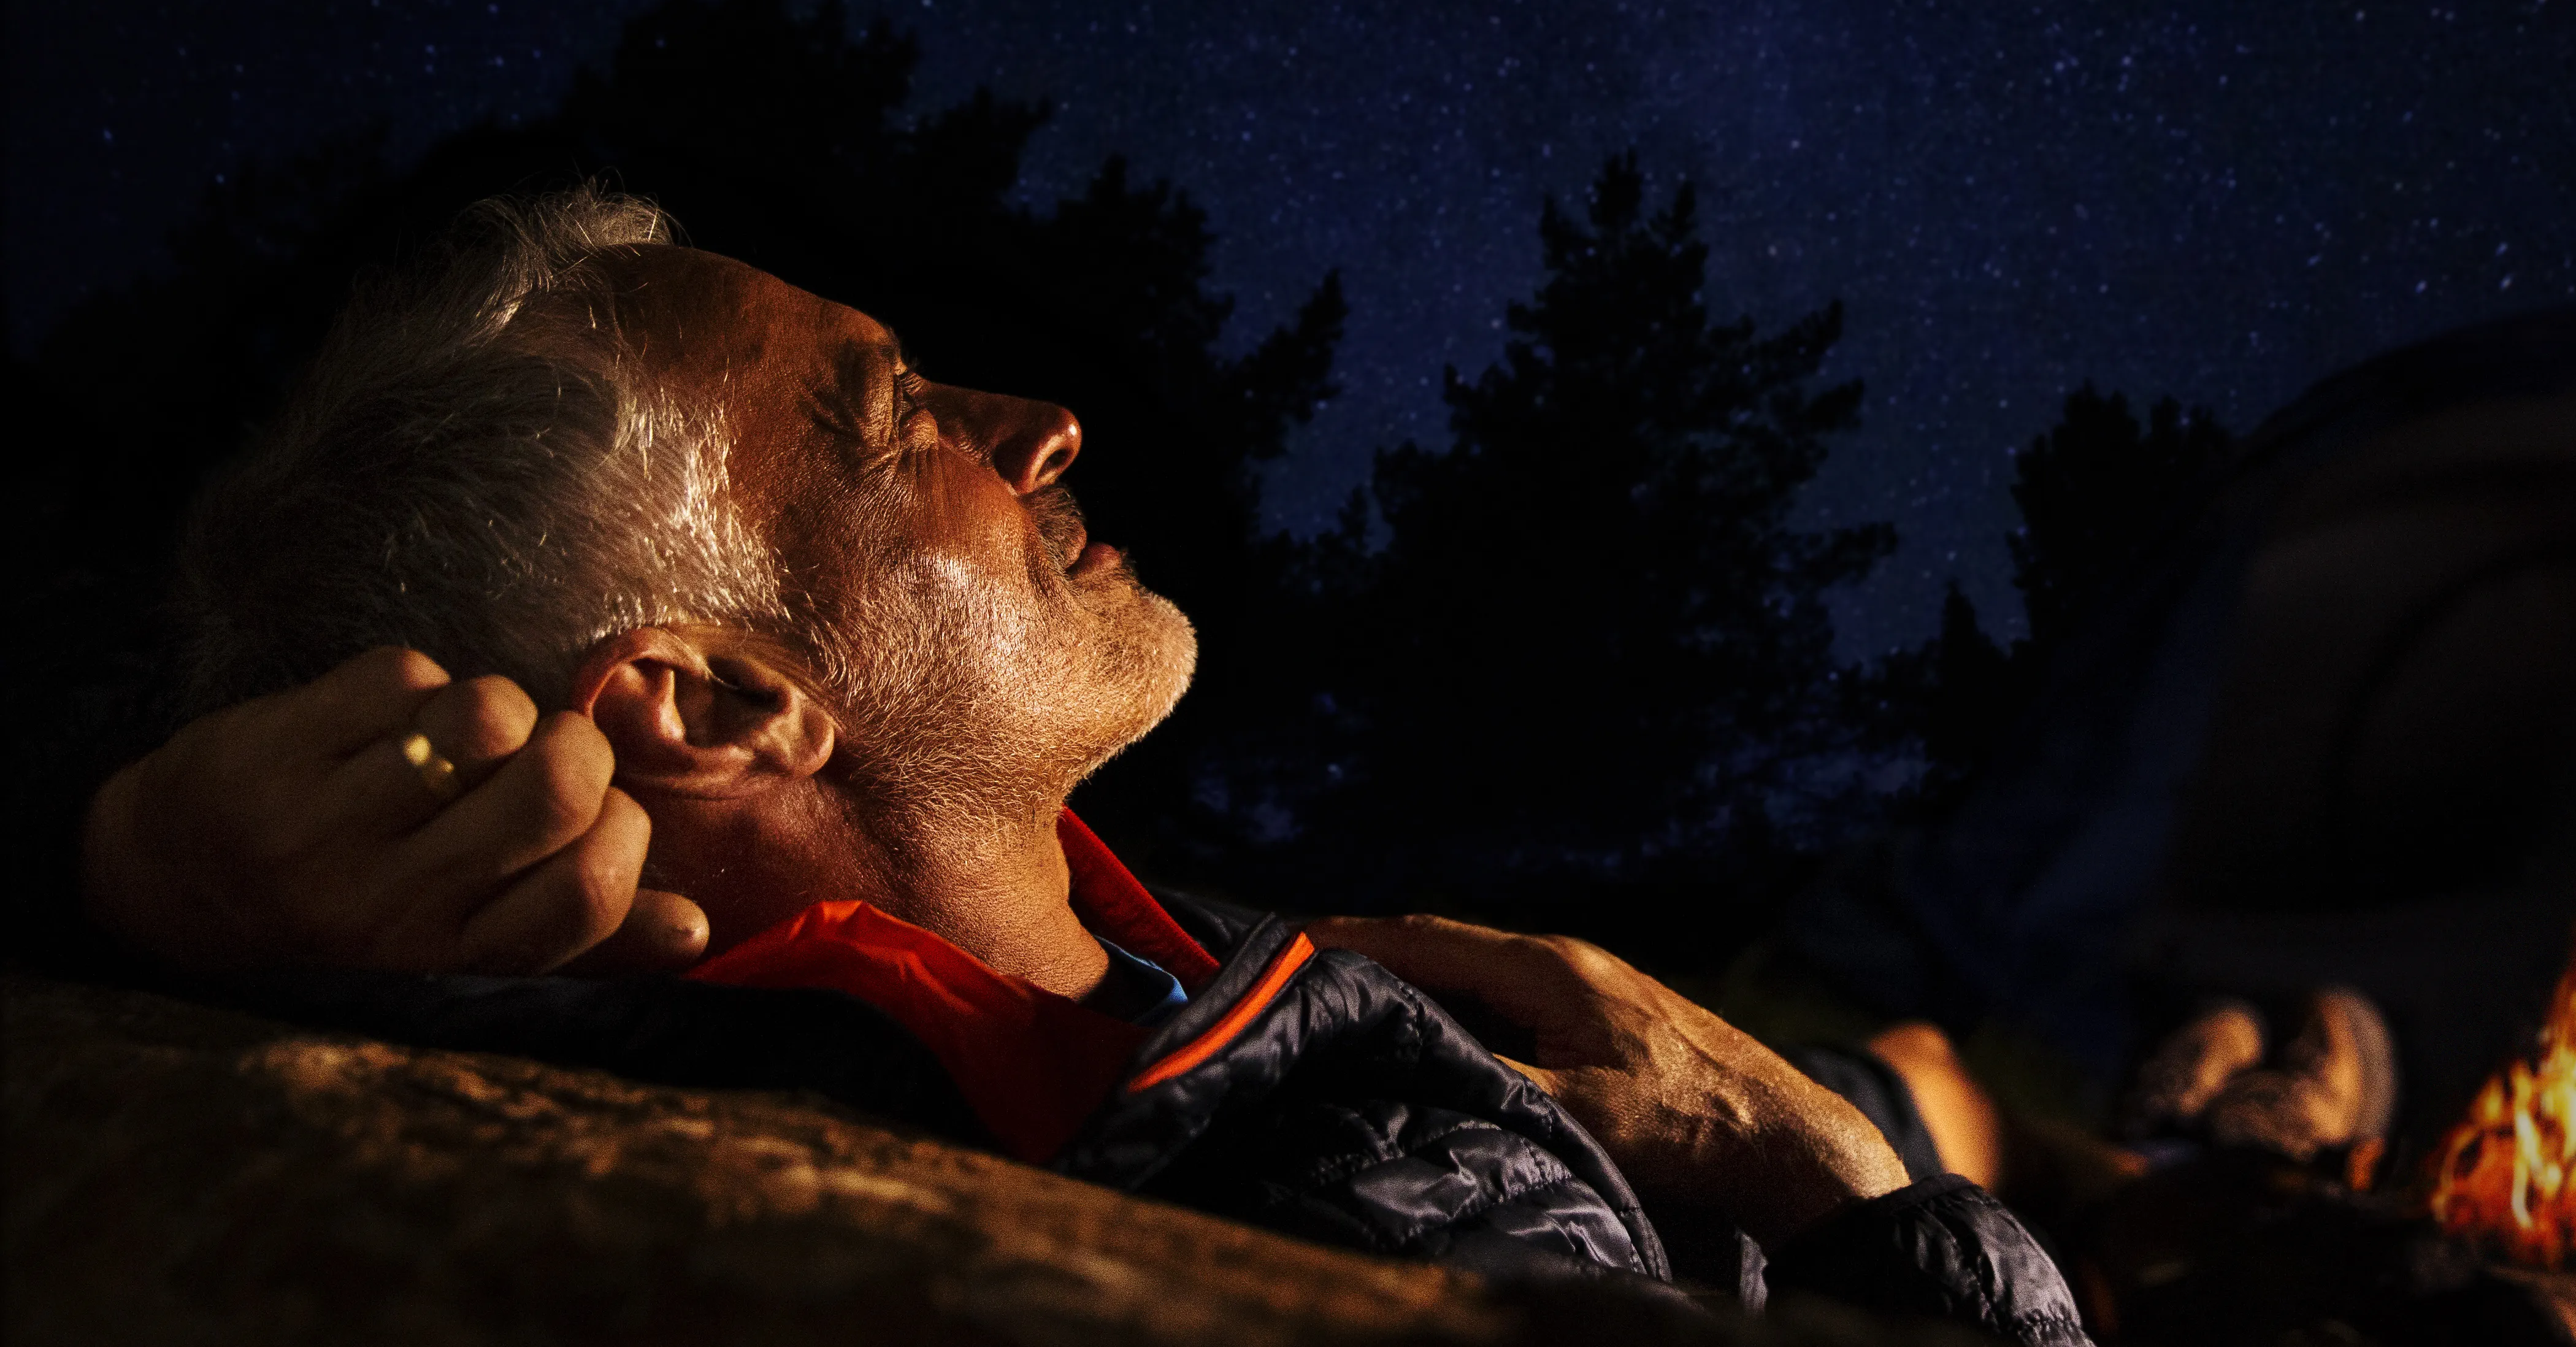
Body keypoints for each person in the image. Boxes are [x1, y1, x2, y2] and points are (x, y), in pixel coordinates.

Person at [74, 189, 2088, 1345]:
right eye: (895, 417)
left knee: (1941, 1054)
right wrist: (1857, 1206)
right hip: (1782, 1159)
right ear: (718, 704)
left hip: (1550, 1042)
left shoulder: (1119, 957)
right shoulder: (1279, 1193)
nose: (1040, 422)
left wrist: (109, 861)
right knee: (1970, 1083)